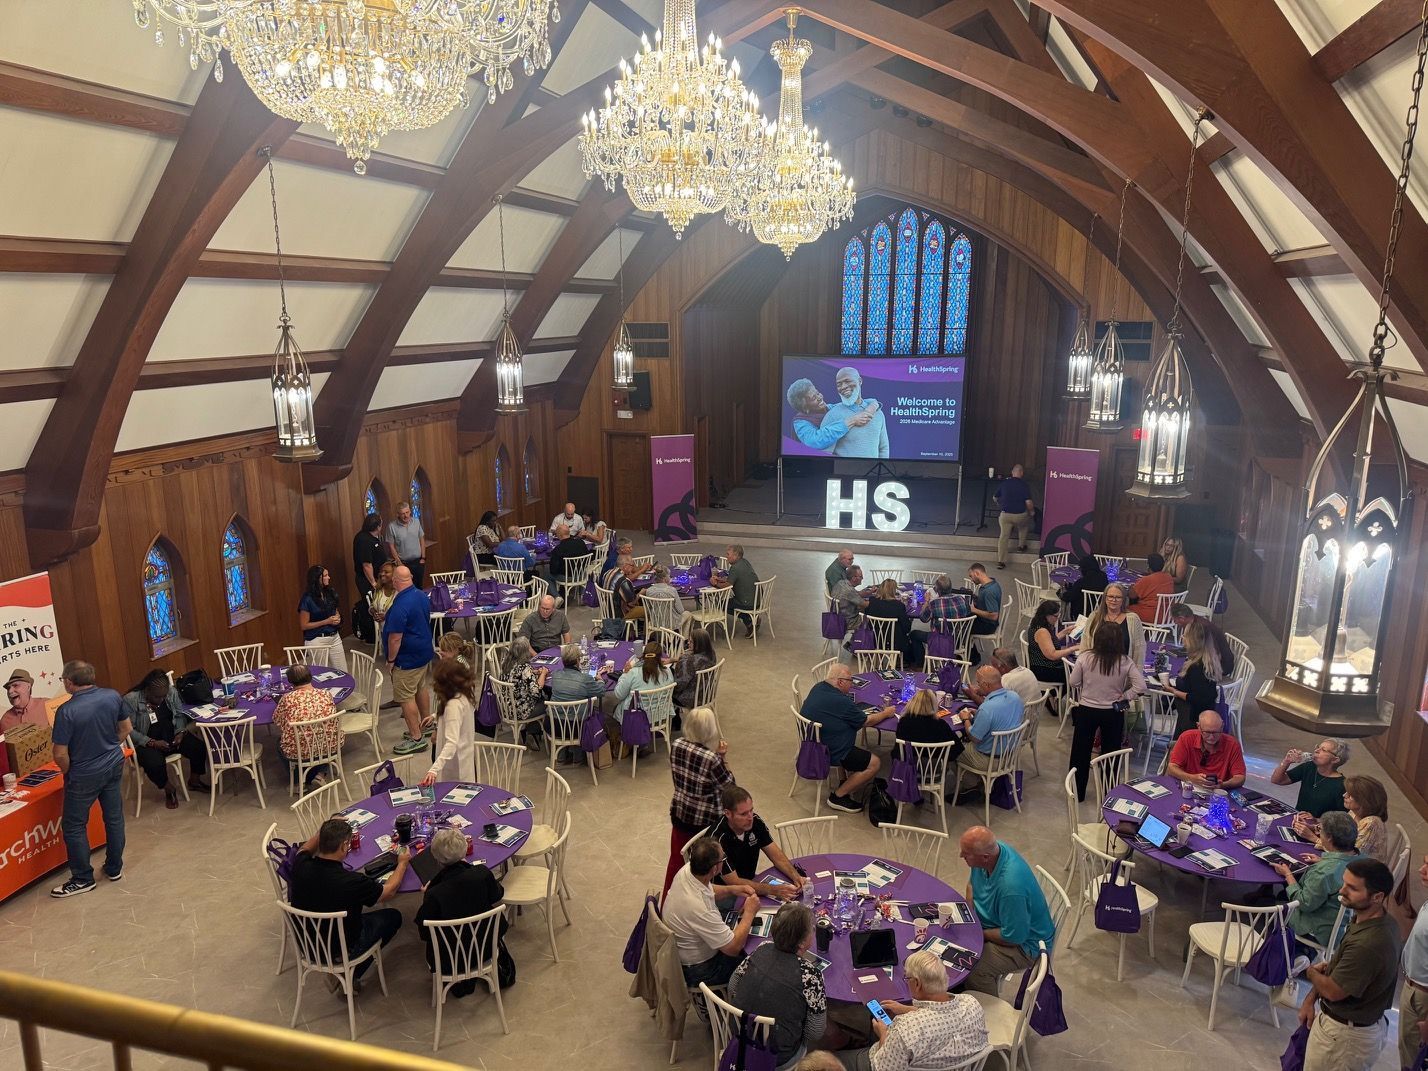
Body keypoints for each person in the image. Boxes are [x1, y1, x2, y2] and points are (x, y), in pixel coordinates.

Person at [1297, 858, 1401, 1071]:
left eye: (1352, 888)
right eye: (1344, 883)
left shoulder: (1369, 943)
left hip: (1344, 1039)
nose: (1341, 891)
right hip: (1347, 1031)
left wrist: (1307, 970)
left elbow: (1334, 991)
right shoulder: (1372, 921)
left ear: (1377, 897)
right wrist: (1311, 998)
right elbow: (1335, 968)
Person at [289, 817, 408, 980]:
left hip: (308, 941)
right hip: (341, 947)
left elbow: (305, 848)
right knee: (393, 916)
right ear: (344, 846)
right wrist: (402, 863)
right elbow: (388, 892)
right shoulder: (352, 881)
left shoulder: (300, 864)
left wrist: (326, 829)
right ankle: (351, 973)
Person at [837, 948, 988, 1071]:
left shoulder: (905, 1029)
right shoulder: (971, 1003)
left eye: (907, 978)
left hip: (880, 1061)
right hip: (955, 1064)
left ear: (917, 983)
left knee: (826, 1059)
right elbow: (940, 1012)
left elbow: (884, 1068)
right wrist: (908, 1009)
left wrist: (883, 1033)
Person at [50, 661, 128, 897]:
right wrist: (111, 747)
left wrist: (68, 771)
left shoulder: (66, 711)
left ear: (69, 682)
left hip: (83, 774)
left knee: (73, 826)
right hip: (114, 763)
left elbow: (60, 753)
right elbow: (126, 728)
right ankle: (114, 868)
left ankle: (83, 878)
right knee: (114, 818)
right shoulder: (112, 696)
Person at [729, 903, 827, 1070]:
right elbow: (815, 1032)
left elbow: (732, 987)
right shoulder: (811, 975)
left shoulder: (761, 949)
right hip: (777, 1057)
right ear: (803, 942)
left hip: (739, 1036)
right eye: (812, 929)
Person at [959, 826, 1055, 995]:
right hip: (997, 922)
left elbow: (1014, 937)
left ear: (985, 857)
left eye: (966, 853)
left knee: (975, 969)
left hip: (1025, 945)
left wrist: (979, 932)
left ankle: (985, 1012)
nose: (961, 856)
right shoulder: (991, 852)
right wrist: (970, 916)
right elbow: (971, 885)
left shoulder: (1011, 888)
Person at [412, 827, 506, 998]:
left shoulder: (435, 893)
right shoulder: (482, 874)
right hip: (486, 946)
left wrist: (428, 893)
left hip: (449, 959)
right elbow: (497, 894)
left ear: (437, 859)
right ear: (464, 851)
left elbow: (425, 933)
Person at [1067, 621, 1146, 801]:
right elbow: (1140, 686)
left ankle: (1077, 793)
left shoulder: (1085, 657)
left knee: (1080, 752)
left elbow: (1073, 682)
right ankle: (1108, 793)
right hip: (1113, 711)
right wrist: (1125, 695)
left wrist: (1085, 687)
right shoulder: (1125, 661)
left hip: (1087, 709)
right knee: (1111, 754)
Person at [664, 837, 758, 988]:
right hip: (700, 969)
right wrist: (750, 912)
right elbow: (733, 948)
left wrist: (732, 889)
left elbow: (706, 889)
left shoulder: (688, 870)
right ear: (715, 869)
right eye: (723, 858)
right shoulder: (699, 908)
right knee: (757, 963)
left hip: (686, 947)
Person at [801, 663, 895, 813]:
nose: (852, 685)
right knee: (875, 763)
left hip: (813, 741)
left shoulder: (818, 687)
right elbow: (866, 721)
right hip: (828, 750)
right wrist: (886, 713)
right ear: (840, 682)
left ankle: (844, 779)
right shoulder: (842, 702)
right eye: (850, 681)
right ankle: (838, 796)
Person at [664, 706, 734, 897]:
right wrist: (722, 758)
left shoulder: (677, 744)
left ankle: (667, 904)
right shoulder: (711, 759)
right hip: (704, 823)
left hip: (679, 812)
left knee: (676, 863)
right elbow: (729, 787)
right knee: (705, 870)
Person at [1274, 811, 1359, 952]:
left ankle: (1296, 953)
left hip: (1320, 929)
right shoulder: (1361, 859)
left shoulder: (1324, 872)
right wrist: (1324, 859)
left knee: (1274, 905)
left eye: (1320, 830)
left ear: (1330, 838)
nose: (1319, 833)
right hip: (1346, 927)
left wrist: (1288, 875)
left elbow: (1304, 903)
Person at [121, 670, 208, 807]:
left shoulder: (171, 692)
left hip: (171, 736)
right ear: (147, 690)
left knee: (199, 747)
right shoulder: (131, 700)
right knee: (155, 764)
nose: (161, 700)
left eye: (164, 696)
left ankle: (194, 781)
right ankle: (169, 788)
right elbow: (129, 730)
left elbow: (179, 715)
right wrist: (152, 742)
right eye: (157, 697)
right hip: (146, 743)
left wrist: (180, 732)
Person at [708, 785, 807, 899]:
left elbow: (776, 856)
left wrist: (796, 876)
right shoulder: (717, 841)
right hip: (725, 894)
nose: (750, 817)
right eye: (743, 814)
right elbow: (734, 882)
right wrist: (773, 890)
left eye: (751, 810)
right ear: (728, 813)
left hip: (750, 881)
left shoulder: (755, 822)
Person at [383, 565, 435, 756]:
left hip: (407, 658)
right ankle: (426, 723)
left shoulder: (400, 605)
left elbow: (395, 638)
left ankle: (416, 738)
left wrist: (390, 659)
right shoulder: (421, 595)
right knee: (420, 688)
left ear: (396, 581)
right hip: (423, 651)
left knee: (405, 696)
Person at [272, 664, 342, 791]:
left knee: (279, 743)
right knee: (325, 736)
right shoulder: (326, 694)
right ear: (311, 677)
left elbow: (278, 721)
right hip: (330, 744)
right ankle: (320, 774)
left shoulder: (287, 698)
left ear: (291, 682)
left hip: (300, 750)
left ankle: (299, 783)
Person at [604, 640, 672, 753]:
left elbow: (618, 694)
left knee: (615, 708)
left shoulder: (634, 673)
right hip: (660, 714)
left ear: (643, 656)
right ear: (661, 658)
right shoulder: (667, 672)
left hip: (637, 718)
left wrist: (625, 673)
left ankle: (626, 741)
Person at [1393, 853, 1428, 1071]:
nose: (1421, 870)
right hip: (1412, 985)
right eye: (1425, 862)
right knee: (1407, 1051)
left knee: (1417, 1059)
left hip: (1424, 996)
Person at [954, 665, 1025, 772]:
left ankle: (970, 783)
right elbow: (1000, 716)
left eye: (978, 683)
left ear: (986, 685)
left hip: (988, 760)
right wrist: (978, 713)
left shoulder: (986, 709)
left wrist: (966, 719)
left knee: (952, 750)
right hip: (1010, 755)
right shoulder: (1015, 697)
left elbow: (974, 737)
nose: (976, 687)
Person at [417, 658, 476, 785]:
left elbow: (451, 742)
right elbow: (458, 716)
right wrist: (435, 716)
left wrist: (434, 769)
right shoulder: (464, 696)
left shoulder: (453, 705)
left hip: (455, 765)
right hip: (465, 758)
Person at [1164, 618, 1227, 736]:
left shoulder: (1197, 667)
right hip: (1192, 715)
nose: (1182, 637)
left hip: (1192, 718)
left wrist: (1173, 691)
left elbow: (1197, 698)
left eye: (1185, 635)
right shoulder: (1206, 659)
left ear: (1192, 640)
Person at [786, 377, 880, 453]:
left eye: (817, 393)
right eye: (814, 398)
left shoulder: (830, 408)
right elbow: (815, 441)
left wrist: (874, 405)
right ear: (805, 408)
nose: (820, 397)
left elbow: (860, 402)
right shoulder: (800, 422)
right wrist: (852, 421)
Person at [1166, 710, 1246, 791]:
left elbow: (1240, 777)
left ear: (1222, 727)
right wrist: (1191, 778)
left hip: (1218, 792)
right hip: (1188, 789)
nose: (1211, 737)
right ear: (1198, 726)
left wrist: (1223, 785)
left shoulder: (1232, 744)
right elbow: (1171, 768)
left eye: (1215, 732)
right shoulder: (1186, 738)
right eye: (1207, 732)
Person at [1271, 739, 1349, 819]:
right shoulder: (1310, 767)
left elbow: (1344, 819)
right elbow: (1277, 780)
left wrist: (1316, 820)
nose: (1317, 750)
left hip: (1320, 829)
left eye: (1323, 750)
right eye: (1318, 747)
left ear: (1335, 760)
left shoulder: (1342, 785)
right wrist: (1286, 761)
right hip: (1297, 821)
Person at [1077, 582, 1145, 669]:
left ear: (1124, 599)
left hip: (1123, 671)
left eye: (1118, 597)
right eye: (1111, 596)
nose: (1114, 600)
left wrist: (1136, 673)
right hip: (1095, 669)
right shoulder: (1094, 616)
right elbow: (1085, 645)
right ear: (1105, 598)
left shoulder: (1133, 619)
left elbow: (1139, 649)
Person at [496, 636, 548, 747]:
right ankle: (532, 731)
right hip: (520, 711)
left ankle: (530, 731)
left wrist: (533, 672)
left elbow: (517, 675)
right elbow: (536, 692)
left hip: (506, 706)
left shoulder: (506, 662)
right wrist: (543, 674)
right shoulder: (525, 668)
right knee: (547, 702)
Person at [828, 366, 888, 459]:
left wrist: (881, 470)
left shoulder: (878, 413)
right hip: (843, 473)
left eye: (847, 381)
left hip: (873, 472)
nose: (843, 387)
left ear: (860, 381)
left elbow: (883, 448)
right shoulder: (833, 414)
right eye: (839, 384)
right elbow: (824, 453)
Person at [298, 563, 347, 674]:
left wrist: (337, 618)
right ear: (317, 578)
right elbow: (304, 625)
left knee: (343, 672)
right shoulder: (307, 599)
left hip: (334, 637)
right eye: (325, 576)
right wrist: (326, 621)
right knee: (320, 675)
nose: (328, 577)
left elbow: (335, 610)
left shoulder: (330, 592)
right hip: (317, 640)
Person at [894, 688, 963, 763]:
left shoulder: (904, 721)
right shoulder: (941, 725)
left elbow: (898, 746)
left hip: (907, 764)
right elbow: (957, 749)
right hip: (934, 766)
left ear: (913, 703)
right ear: (934, 705)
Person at [866, 578, 924, 667]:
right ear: (894, 591)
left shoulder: (872, 601)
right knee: (910, 637)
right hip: (895, 642)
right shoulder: (899, 606)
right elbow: (907, 629)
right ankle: (912, 663)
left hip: (875, 639)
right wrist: (909, 620)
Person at [1026, 599, 1077, 686]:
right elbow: (1052, 655)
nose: (1058, 619)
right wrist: (1073, 648)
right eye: (1056, 616)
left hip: (1041, 664)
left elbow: (1048, 642)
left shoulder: (1037, 624)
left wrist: (1065, 631)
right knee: (1075, 674)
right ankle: (1056, 695)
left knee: (1073, 669)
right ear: (1047, 616)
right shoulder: (1042, 632)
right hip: (1044, 669)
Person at [995, 463, 1035, 568]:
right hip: (1019, 515)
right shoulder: (1024, 485)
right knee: (1024, 525)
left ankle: (1001, 561)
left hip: (1005, 515)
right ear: (1021, 473)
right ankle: (1021, 546)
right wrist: (1031, 512)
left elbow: (995, 497)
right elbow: (1029, 503)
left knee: (1003, 537)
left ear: (1012, 473)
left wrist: (1000, 504)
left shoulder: (1004, 483)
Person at [1341, 775, 1389, 862]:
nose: (1344, 795)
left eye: (1350, 795)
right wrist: (1315, 828)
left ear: (1364, 800)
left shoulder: (1371, 823)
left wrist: (1313, 838)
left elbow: (1350, 854)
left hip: (1363, 872)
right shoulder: (1354, 812)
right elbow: (1338, 834)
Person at [714, 544, 758, 635]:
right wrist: (722, 580)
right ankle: (752, 619)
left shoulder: (735, 568)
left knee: (721, 605)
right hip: (757, 598)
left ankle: (749, 622)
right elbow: (736, 578)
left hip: (747, 602)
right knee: (729, 602)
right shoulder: (745, 562)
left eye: (728, 554)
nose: (726, 557)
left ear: (736, 555)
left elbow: (727, 586)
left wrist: (715, 583)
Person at [673, 627, 718, 711]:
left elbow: (679, 685)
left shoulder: (689, 661)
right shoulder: (711, 654)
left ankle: (674, 721)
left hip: (691, 699)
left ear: (699, 644)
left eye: (691, 642)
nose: (688, 643)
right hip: (707, 693)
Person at [385, 501, 427, 588]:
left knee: (419, 587)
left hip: (418, 562)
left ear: (410, 511)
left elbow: (422, 539)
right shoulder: (391, 527)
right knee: (407, 588)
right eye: (403, 514)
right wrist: (399, 563)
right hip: (404, 564)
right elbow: (391, 546)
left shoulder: (416, 522)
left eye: (407, 512)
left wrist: (423, 557)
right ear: (398, 514)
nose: (406, 516)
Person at [495, 525, 546, 594]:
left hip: (504, 576)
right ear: (517, 535)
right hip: (520, 577)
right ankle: (532, 594)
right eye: (520, 533)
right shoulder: (521, 547)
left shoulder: (500, 546)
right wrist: (533, 556)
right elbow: (530, 563)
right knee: (536, 572)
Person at [1128, 552, 1175, 622]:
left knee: (1123, 609)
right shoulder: (1169, 577)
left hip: (1151, 615)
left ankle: (1133, 631)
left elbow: (1132, 596)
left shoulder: (1147, 579)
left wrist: (1131, 587)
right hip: (1167, 614)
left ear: (1149, 566)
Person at [1, 668, 51, 732]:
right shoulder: (4, 720)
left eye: (15, 685)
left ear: (28, 687)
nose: (10, 691)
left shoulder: (47, 705)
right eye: (8, 688)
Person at [352, 512, 387, 598]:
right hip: (368, 580)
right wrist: (373, 583)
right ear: (378, 527)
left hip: (378, 576)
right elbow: (367, 565)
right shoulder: (364, 540)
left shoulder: (373, 537)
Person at [547, 523, 590, 591]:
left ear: (559, 535)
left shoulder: (558, 549)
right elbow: (587, 559)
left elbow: (553, 570)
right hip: (582, 574)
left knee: (546, 575)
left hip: (567, 578)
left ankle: (557, 596)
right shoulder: (581, 542)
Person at [966, 563, 1002, 642]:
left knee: (961, 626)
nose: (971, 580)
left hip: (987, 625)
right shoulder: (992, 583)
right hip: (985, 620)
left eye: (971, 576)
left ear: (977, 573)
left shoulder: (989, 591)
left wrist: (974, 610)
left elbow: (994, 616)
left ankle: (970, 653)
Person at [831, 565, 872, 633]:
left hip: (838, 617)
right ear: (854, 578)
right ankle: (869, 640)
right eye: (861, 576)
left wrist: (866, 593)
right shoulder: (849, 591)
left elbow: (853, 595)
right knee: (874, 618)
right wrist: (880, 601)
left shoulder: (841, 583)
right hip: (849, 622)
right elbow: (865, 605)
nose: (862, 578)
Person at [613, 559, 646, 626]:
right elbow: (631, 603)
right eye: (632, 566)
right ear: (626, 566)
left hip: (608, 608)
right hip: (620, 613)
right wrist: (641, 593)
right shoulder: (624, 581)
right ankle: (647, 633)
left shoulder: (608, 573)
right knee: (650, 610)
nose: (633, 569)